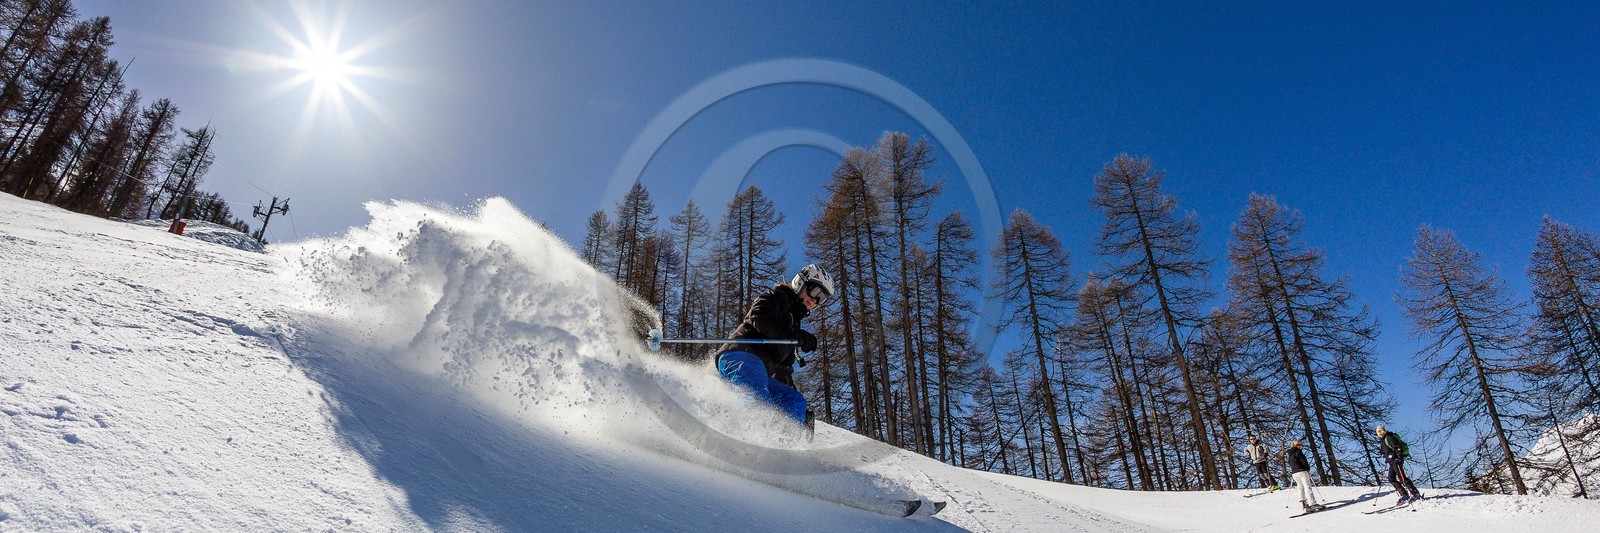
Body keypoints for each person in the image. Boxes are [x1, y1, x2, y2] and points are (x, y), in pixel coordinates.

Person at [715, 264, 834, 425]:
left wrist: (802, 415)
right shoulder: (778, 297)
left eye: (822, 298)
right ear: (801, 282)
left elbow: (783, 373)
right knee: (757, 399)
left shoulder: (793, 324)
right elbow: (758, 316)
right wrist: (793, 335)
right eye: (815, 291)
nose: (815, 300)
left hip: (759, 369)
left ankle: (782, 445)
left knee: (794, 402)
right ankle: (744, 438)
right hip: (741, 355)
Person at [1377, 424, 1424, 505]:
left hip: (1396, 460)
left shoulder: (1389, 438)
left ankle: (1415, 493)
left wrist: (1398, 457)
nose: (1381, 433)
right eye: (1379, 432)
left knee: (1402, 477)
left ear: (1384, 430)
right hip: (1392, 462)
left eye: (1382, 431)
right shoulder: (1383, 441)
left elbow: (1398, 447)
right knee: (1391, 478)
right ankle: (1404, 494)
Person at [1285, 440, 1322, 511]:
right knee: (1307, 486)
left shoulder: (1290, 454)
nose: (1300, 446)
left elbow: (1289, 463)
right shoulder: (1298, 452)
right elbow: (1304, 461)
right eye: (1298, 444)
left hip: (1294, 473)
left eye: (1301, 444)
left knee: (1300, 487)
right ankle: (1312, 504)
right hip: (1302, 471)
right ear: (1295, 446)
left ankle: (1304, 503)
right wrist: (1307, 469)